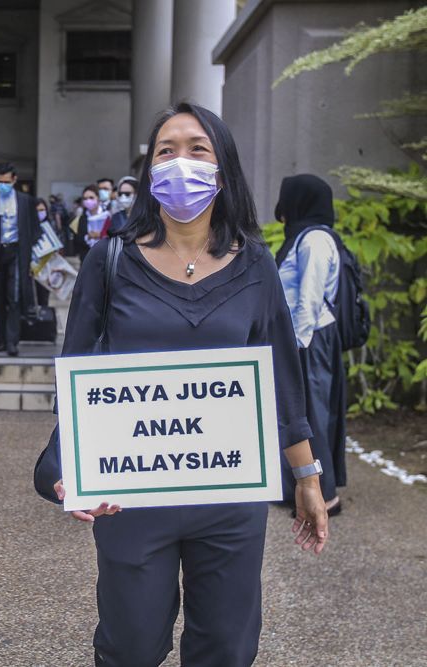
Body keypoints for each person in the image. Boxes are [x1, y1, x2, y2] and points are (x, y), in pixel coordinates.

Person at [34, 103, 328, 666]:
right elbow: (77, 372)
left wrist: (307, 477)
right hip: (132, 494)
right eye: (165, 150)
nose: (180, 162)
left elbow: (283, 382)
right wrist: (67, 465)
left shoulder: (257, 264)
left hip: (231, 493)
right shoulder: (110, 259)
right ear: (149, 172)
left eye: (198, 149)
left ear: (223, 169)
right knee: (131, 646)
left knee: (225, 645)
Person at [274, 173, 347, 516]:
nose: (282, 213)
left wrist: (298, 344)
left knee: (312, 417)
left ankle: (326, 494)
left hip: (310, 337)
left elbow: (310, 298)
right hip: (302, 336)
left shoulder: (315, 240)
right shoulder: (303, 237)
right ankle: (295, 488)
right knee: (295, 414)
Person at [0, 162, 39, 356]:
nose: (2, 185)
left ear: (14, 180)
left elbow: (35, 228)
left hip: (16, 253)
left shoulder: (25, 200)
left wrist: (33, 256)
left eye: (6, 181)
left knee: (14, 298)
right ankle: (1, 339)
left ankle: (12, 341)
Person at [69, 180, 113, 261]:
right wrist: (88, 237)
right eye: (85, 198)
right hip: (87, 258)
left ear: (98, 198)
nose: (88, 201)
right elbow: (77, 240)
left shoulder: (107, 216)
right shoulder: (82, 218)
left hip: (105, 258)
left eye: (91, 198)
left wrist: (100, 235)